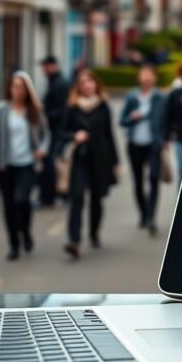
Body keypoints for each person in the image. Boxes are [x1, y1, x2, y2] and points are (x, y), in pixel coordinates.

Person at [0, 71, 49, 261]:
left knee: (22, 200)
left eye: (20, 86)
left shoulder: (34, 110)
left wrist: (42, 150)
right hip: (6, 164)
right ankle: (14, 244)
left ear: (27, 90)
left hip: (27, 164)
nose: (16, 90)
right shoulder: (1, 109)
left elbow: (46, 135)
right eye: (13, 86)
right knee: (9, 205)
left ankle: (26, 231)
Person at [62, 70, 119, 257]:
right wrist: (74, 136)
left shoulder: (103, 106)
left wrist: (115, 161)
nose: (87, 86)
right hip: (79, 158)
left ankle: (94, 232)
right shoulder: (72, 107)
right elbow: (61, 133)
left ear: (96, 85)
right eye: (83, 83)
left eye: (90, 82)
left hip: (100, 158)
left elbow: (109, 135)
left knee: (97, 198)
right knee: (77, 196)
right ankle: (74, 241)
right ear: (78, 87)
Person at [119, 64, 166, 234]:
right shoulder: (132, 97)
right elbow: (122, 121)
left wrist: (165, 139)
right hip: (134, 144)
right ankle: (143, 213)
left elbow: (167, 121)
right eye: (143, 74)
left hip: (153, 145)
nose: (146, 77)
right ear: (139, 77)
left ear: (154, 78)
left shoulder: (160, 98)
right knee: (138, 180)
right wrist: (132, 117)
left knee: (153, 179)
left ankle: (151, 217)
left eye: (149, 74)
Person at [38, 55, 71, 207]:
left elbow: (63, 111)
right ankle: (54, 194)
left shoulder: (59, 84)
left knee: (52, 163)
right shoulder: (55, 82)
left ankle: (52, 195)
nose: (43, 70)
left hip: (56, 130)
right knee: (52, 163)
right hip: (54, 130)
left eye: (45, 66)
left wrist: (46, 114)